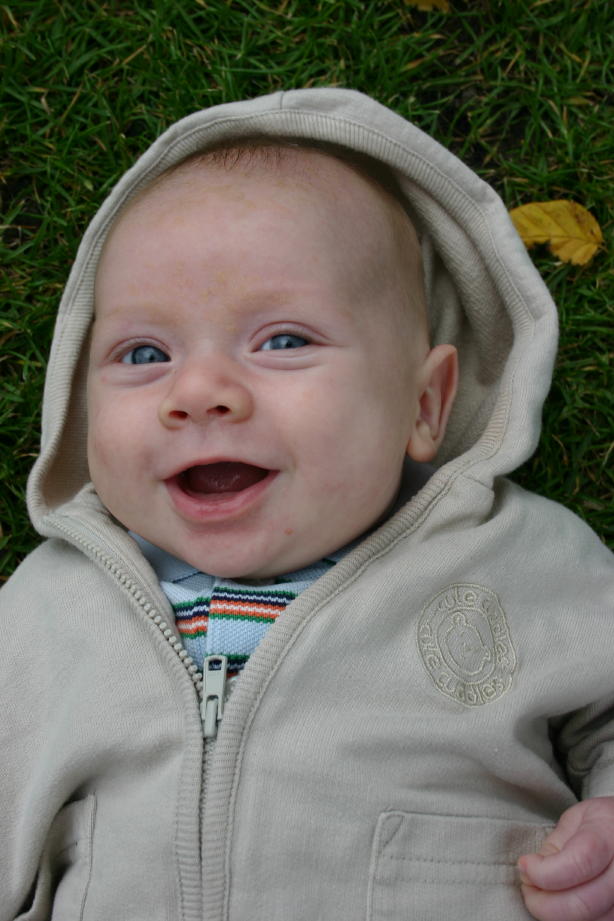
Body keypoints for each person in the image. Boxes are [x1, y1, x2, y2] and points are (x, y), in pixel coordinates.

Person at [1, 88, 612, 921]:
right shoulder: (44, 611)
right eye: (144, 352)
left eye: (282, 340)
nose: (200, 391)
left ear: (424, 404)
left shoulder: (518, 557)